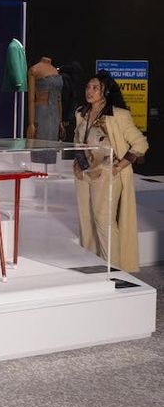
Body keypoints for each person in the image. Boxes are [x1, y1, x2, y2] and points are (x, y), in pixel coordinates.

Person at [73, 70, 148, 273]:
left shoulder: (118, 115)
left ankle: (113, 270)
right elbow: (78, 141)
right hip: (83, 173)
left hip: (107, 175)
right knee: (87, 219)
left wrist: (118, 167)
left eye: (95, 88)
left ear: (105, 91)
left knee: (103, 220)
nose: (89, 91)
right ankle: (93, 263)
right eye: (88, 87)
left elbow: (140, 144)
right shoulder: (81, 113)